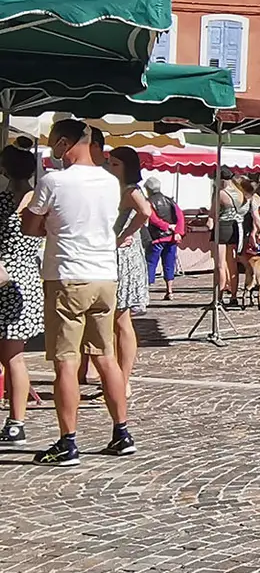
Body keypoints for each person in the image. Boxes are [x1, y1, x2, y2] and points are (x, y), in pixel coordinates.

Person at [23, 118, 133, 464]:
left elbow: (30, 224)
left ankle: (68, 440)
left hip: (67, 275)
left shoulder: (54, 180)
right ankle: (122, 432)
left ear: (64, 143)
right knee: (106, 358)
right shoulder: (109, 181)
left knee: (66, 363)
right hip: (104, 275)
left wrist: (49, 226)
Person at [0, 145, 43, 444]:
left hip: (4, 277)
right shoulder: (39, 201)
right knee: (14, 356)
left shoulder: (2, 201)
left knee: (11, 358)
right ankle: (16, 420)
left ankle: (17, 422)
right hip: (28, 279)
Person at [104, 147, 155, 396]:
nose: (110, 169)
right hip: (119, 254)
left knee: (122, 319)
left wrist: (125, 234)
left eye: (115, 165)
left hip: (124, 256)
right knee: (116, 320)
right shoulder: (119, 188)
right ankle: (117, 378)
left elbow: (146, 212)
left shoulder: (131, 189)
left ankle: (123, 380)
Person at [143, 175, 182, 300]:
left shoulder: (148, 202)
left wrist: (166, 226)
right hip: (171, 239)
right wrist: (177, 231)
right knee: (169, 264)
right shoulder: (170, 201)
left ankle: (146, 291)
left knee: (150, 264)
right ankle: (170, 290)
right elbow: (180, 216)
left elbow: (153, 218)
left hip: (157, 238)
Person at [214, 167, 246, 304]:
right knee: (233, 264)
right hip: (236, 228)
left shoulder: (220, 193)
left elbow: (213, 213)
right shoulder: (240, 193)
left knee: (220, 265)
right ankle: (234, 296)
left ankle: (219, 297)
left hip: (222, 227)